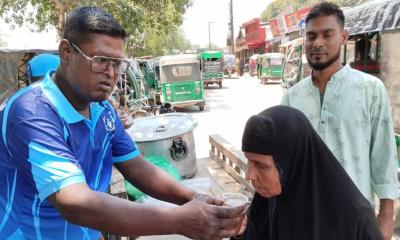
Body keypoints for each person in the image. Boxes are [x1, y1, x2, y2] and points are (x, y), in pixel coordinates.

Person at [0, 6, 245, 240]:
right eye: (101, 60)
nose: (111, 73)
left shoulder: (102, 110)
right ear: (66, 52)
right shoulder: (31, 113)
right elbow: (75, 202)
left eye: (117, 63)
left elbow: (136, 167)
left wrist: (195, 199)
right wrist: (179, 220)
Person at [281, 3, 398, 240]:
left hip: (354, 220)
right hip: (304, 218)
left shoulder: (370, 89)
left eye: (327, 34)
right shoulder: (292, 97)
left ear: (344, 37)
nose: (318, 43)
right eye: (311, 36)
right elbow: (284, 162)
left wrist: (386, 216)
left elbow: (383, 156)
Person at [240, 105, 383, 240]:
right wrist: (241, 231)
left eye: (261, 165)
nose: (250, 175)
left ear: (292, 161)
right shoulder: (268, 198)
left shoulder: (355, 220)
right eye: (249, 161)